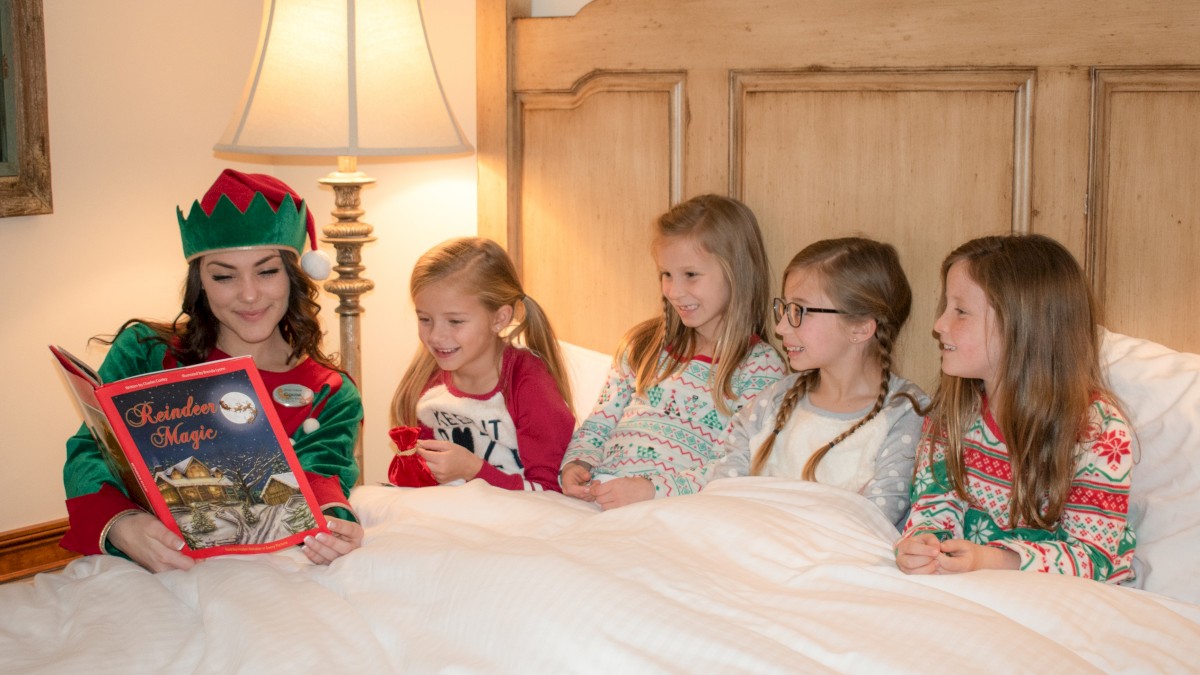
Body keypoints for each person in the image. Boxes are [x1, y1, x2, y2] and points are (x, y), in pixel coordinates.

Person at [60, 169, 364, 572]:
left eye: (267, 271)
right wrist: (123, 526)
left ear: (294, 276)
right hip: (140, 571)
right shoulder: (145, 353)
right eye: (224, 276)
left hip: (267, 575)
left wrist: (333, 524)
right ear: (200, 282)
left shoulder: (329, 391)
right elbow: (91, 452)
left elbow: (323, 476)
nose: (249, 294)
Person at [894, 234, 1136, 583]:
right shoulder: (956, 411)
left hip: (1062, 596)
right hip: (972, 584)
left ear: (1023, 327)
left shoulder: (1099, 432)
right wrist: (924, 543)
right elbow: (933, 502)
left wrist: (990, 559)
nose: (939, 325)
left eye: (960, 311)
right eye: (946, 307)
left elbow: (1093, 559)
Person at [560, 194, 787, 510]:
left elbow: (740, 464)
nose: (674, 291)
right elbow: (599, 422)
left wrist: (651, 490)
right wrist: (577, 462)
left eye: (690, 275)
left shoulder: (760, 368)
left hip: (674, 507)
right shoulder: (643, 345)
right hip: (600, 495)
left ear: (736, 272)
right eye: (666, 274)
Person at [705, 238, 928, 529]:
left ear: (860, 328)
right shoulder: (777, 398)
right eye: (784, 308)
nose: (780, 327)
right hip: (745, 539)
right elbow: (722, 490)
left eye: (799, 311)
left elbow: (873, 520)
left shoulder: (904, 413)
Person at [388, 237, 575, 492]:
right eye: (425, 319)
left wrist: (473, 470)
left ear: (499, 318)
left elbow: (550, 492)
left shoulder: (528, 382)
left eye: (455, 321)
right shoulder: (427, 384)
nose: (435, 336)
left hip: (519, 511)